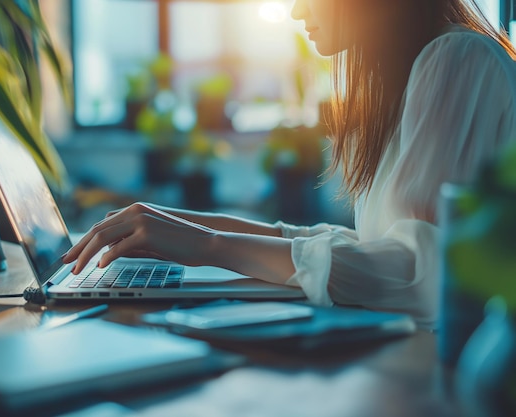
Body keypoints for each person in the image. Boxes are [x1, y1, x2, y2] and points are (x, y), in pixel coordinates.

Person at [63, 0, 516, 330]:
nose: (297, 12)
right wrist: (190, 227)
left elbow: (425, 273)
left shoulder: (457, 60)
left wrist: (211, 246)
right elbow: (376, 247)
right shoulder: (431, 67)